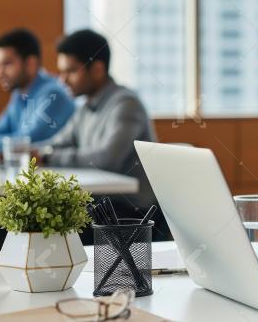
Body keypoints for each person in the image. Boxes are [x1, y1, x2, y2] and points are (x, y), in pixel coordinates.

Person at [35, 29, 165, 238]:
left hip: (131, 212)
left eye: (71, 71)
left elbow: (108, 159)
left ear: (97, 69)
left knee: (47, 225)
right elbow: (59, 142)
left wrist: (47, 156)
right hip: (102, 204)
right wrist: (31, 151)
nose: (62, 81)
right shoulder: (86, 107)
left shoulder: (126, 104)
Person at [0, 28, 75, 152]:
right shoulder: (19, 92)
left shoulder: (53, 95)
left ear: (31, 64)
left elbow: (27, 141)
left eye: (7, 64)